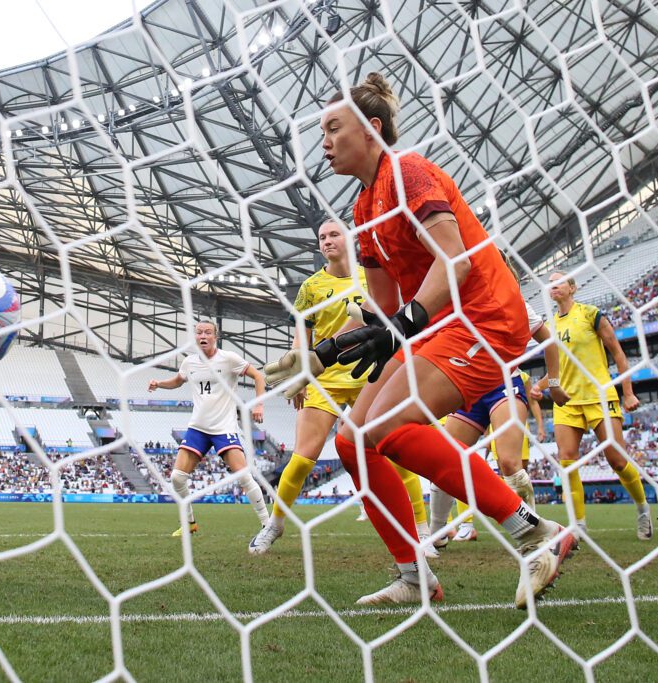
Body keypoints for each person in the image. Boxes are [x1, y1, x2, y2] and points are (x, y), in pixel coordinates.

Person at [269, 73, 575, 608]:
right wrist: (315, 356)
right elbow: (381, 309)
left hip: (484, 317)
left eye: (333, 128)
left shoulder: (407, 172)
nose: (323, 142)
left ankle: (534, 532)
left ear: (372, 130)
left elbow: (452, 257)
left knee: (386, 425)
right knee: (352, 439)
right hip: (436, 326)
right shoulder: (365, 210)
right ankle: (414, 576)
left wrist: (406, 322)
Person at [248, 221, 435, 558]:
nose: (327, 241)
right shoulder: (310, 287)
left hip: (370, 374)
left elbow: (393, 317)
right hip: (325, 378)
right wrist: (299, 375)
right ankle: (274, 524)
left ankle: (422, 531)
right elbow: (301, 339)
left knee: (394, 448)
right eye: (322, 237)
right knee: (304, 458)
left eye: (334, 234)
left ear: (350, 239)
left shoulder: (374, 276)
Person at [429, 290, 571, 544]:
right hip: (470, 386)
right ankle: (437, 532)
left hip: (504, 383)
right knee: (443, 459)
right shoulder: (463, 301)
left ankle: (535, 533)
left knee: (508, 463)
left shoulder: (518, 305)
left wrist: (554, 382)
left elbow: (549, 342)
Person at [536, 272, 651, 539]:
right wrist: (539, 386)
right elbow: (557, 368)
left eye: (559, 281)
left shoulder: (591, 314)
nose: (553, 286)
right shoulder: (549, 326)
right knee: (567, 461)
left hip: (599, 396)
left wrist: (628, 393)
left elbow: (618, 353)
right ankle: (579, 527)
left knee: (617, 460)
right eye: (550, 283)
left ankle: (643, 509)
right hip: (566, 400)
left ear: (572, 288)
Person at [147, 320, 268, 535]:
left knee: (243, 476)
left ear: (215, 336)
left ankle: (267, 524)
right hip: (198, 428)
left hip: (224, 428)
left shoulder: (229, 359)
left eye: (208, 332)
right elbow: (177, 381)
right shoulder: (189, 363)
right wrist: (159, 384)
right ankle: (189, 523)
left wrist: (258, 404)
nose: (203, 335)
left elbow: (259, 376)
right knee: (177, 477)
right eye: (199, 332)